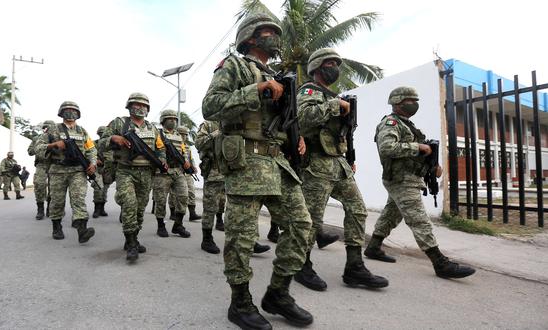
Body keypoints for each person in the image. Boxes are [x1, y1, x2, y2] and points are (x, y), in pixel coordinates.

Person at [203, 13, 313, 330]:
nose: (275, 37)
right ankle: (240, 303)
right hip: (246, 162)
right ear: (251, 37)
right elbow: (211, 106)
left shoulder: (278, 76)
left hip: (277, 163)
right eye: (269, 31)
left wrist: (298, 139)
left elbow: (283, 121)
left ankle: (278, 293)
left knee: (301, 226)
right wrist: (257, 90)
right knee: (240, 238)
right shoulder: (234, 66)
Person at [295, 48, 389, 291]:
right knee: (312, 219)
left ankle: (354, 267)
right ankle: (301, 266)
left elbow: (345, 133)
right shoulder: (309, 91)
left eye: (337, 63)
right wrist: (334, 106)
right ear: (317, 67)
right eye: (329, 63)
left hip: (338, 163)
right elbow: (304, 118)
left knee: (358, 209)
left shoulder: (335, 96)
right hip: (316, 163)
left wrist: (349, 157)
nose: (334, 67)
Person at [364, 86, 476, 279]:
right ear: (397, 102)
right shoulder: (390, 123)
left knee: (391, 215)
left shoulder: (409, 125)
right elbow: (387, 147)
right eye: (410, 101)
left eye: (416, 101)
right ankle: (440, 263)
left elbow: (424, 153)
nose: (414, 104)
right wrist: (418, 146)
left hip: (409, 178)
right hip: (400, 179)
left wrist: (435, 166)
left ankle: (373, 247)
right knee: (419, 219)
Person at [101, 93, 166, 261]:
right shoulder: (119, 123)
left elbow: (160, 148)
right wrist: (113, 138)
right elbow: (100, 144)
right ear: (129, 106)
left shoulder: (152, 128)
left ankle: (133, 238)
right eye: (137, 104)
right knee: (129, 204)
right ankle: (131, 244)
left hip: (146, 173)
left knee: (139, 209)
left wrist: (163, 160)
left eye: (144, 105)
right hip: (125, 171)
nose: (141, 108)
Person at [35, 101, 96, 244]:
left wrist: (92, 163)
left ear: (78, 114)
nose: (70, 113)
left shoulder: (82, 131)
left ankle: (82, 230)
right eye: (67, 110)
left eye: (74, 110)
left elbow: (91, 149)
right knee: (57, 200)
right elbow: (38, 148)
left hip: (78, 171)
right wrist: (53, 145)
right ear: (61, 112)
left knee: (79, 199)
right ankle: (56, 227)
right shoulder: (52, 130)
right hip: (58, 171)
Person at [152, 109, 191, 239]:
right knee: (161, 200)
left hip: (178, 171)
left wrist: (186, 162)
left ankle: (178, 225)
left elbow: (183, 150)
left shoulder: (179, 136)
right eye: (170, 119)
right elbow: (156, 150)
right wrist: (161, 161)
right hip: (163, 172)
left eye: (174, 119)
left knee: (183, 196)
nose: (173, 121)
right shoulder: (158, 134)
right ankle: (161, 226)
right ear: (163, 120)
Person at [194, 120, 226, 254]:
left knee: (240, 206)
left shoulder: (237, 120)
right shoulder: (208, 124)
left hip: (235, 172)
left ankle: (248, 240)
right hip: (214, 171)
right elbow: (199, 144)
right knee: (210, 206)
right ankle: (206, 239)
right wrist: (215, 134)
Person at [168, 125, 202, 222]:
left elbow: (190, 158)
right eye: (182, 134)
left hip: (187, 173)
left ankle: (192, 213)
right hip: (176, 171)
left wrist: (193, 167)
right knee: (173, 194)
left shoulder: (187, 146)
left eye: (186, 135)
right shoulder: (172, 144)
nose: (185, 137)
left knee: (191, 191)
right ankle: (172, 212)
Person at [28, 120, 55, 220]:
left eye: (49, 127)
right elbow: (30, 152)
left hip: (54, 164)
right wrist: (41, 146)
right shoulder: (37, 138)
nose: (47, 129)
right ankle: (40, 209)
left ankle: (49, 208)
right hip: (41, 164)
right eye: (45, 128)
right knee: (39, 184)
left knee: (54, 188)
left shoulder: (58, 138)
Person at [92, 126, 113, 219]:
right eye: (100, 134)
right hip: (97, 169)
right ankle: (96, 209)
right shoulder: (94, 143)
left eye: (103, 134)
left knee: (104, 189)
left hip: (108, 169)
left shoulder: (112, 145)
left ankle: (102, 208)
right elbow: (88, 153)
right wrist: (95, 160)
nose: (102, 136)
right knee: (98, 187)